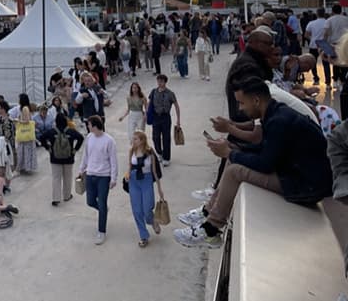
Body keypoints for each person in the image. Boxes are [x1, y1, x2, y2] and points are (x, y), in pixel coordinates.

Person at [174, 77, 332, 248]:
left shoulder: (279, 120)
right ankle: (208, 210)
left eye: (242, 103)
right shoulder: (275, 112)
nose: (241, 109)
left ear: (256, 100)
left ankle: (211, 230)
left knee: (235, 171)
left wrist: (230, 152)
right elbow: (266, 148)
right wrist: (233, 148)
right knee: (234, 156)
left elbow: (265, 163)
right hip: (295, 172)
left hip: (305, 185)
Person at [79, 115, 117, 245]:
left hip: (103, 176)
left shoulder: (109, 141)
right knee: (90, 201)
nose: (87, 127)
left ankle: (101, 231)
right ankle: (104, 210)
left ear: (94, 126)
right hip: (90, 174)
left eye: (89, 125)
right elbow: (86, 155)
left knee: (101, 202)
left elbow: (113, 160)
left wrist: (113, 178)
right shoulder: (89, 137)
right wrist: (81, 169)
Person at [124, 130, 164, 247]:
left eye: (135, 139)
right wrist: (127, 175)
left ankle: (152, 221)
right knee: (137, 211)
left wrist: (160, 189)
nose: (133, 141)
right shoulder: (132, 151)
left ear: (142, 140)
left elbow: (155, 172)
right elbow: (130, 167)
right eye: (133, 138)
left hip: (146, 180)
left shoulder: (150, 152)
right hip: (134, 181)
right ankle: (143, 236)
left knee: (147, 209)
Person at [41, 113, 84, 206]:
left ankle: (56, 198)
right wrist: (75, 150)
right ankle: (67, 196)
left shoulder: (52, 132)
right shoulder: (71, 131)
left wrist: (48, 148)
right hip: (69, 158)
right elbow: (81, 138)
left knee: (56, 178)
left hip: (55, 158)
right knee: (67, 177)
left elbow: (42, 138)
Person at [148, 74, 180, 166]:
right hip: (156, 117)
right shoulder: (153, 92)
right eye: (158, 81)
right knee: (155, 137)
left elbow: (176, 106)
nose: (159, 83)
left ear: (165, 82)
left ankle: (166, 158)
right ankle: (159, 153)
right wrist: (147, 113)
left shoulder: (170, 93)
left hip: (165, 117)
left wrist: (178, 120)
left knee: (166, 138)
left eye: (161, 81)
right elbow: (150, 103)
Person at [324, 4, 348, 87]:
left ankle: (335, 80)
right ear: (341, 10)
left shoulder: (329, 20)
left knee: (335, 62)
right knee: (345, 61)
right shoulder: (346, 19)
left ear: (332, 11)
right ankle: (343, 80)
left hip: (334, 43)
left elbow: (326, 32)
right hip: (345, 44)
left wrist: (324, 43)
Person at [304, 7, 329, 86]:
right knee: (326, 64)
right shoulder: (328, 23)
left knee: (312, 63)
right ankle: (328, 83)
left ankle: (316, 79)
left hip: (314, 45)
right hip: (324, 45)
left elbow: (306, 35)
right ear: (324, 13)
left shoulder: (311, 23)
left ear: (317, 14)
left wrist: (313, 39)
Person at [15, 107, 38, 173]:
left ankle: (23, 167)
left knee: (22, 153)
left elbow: (27, 121)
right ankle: (27, 167)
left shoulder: (24, 110)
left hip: (24, 138)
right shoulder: (24, 111)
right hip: (28, 138)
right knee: (27, 153)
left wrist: (19, 121)